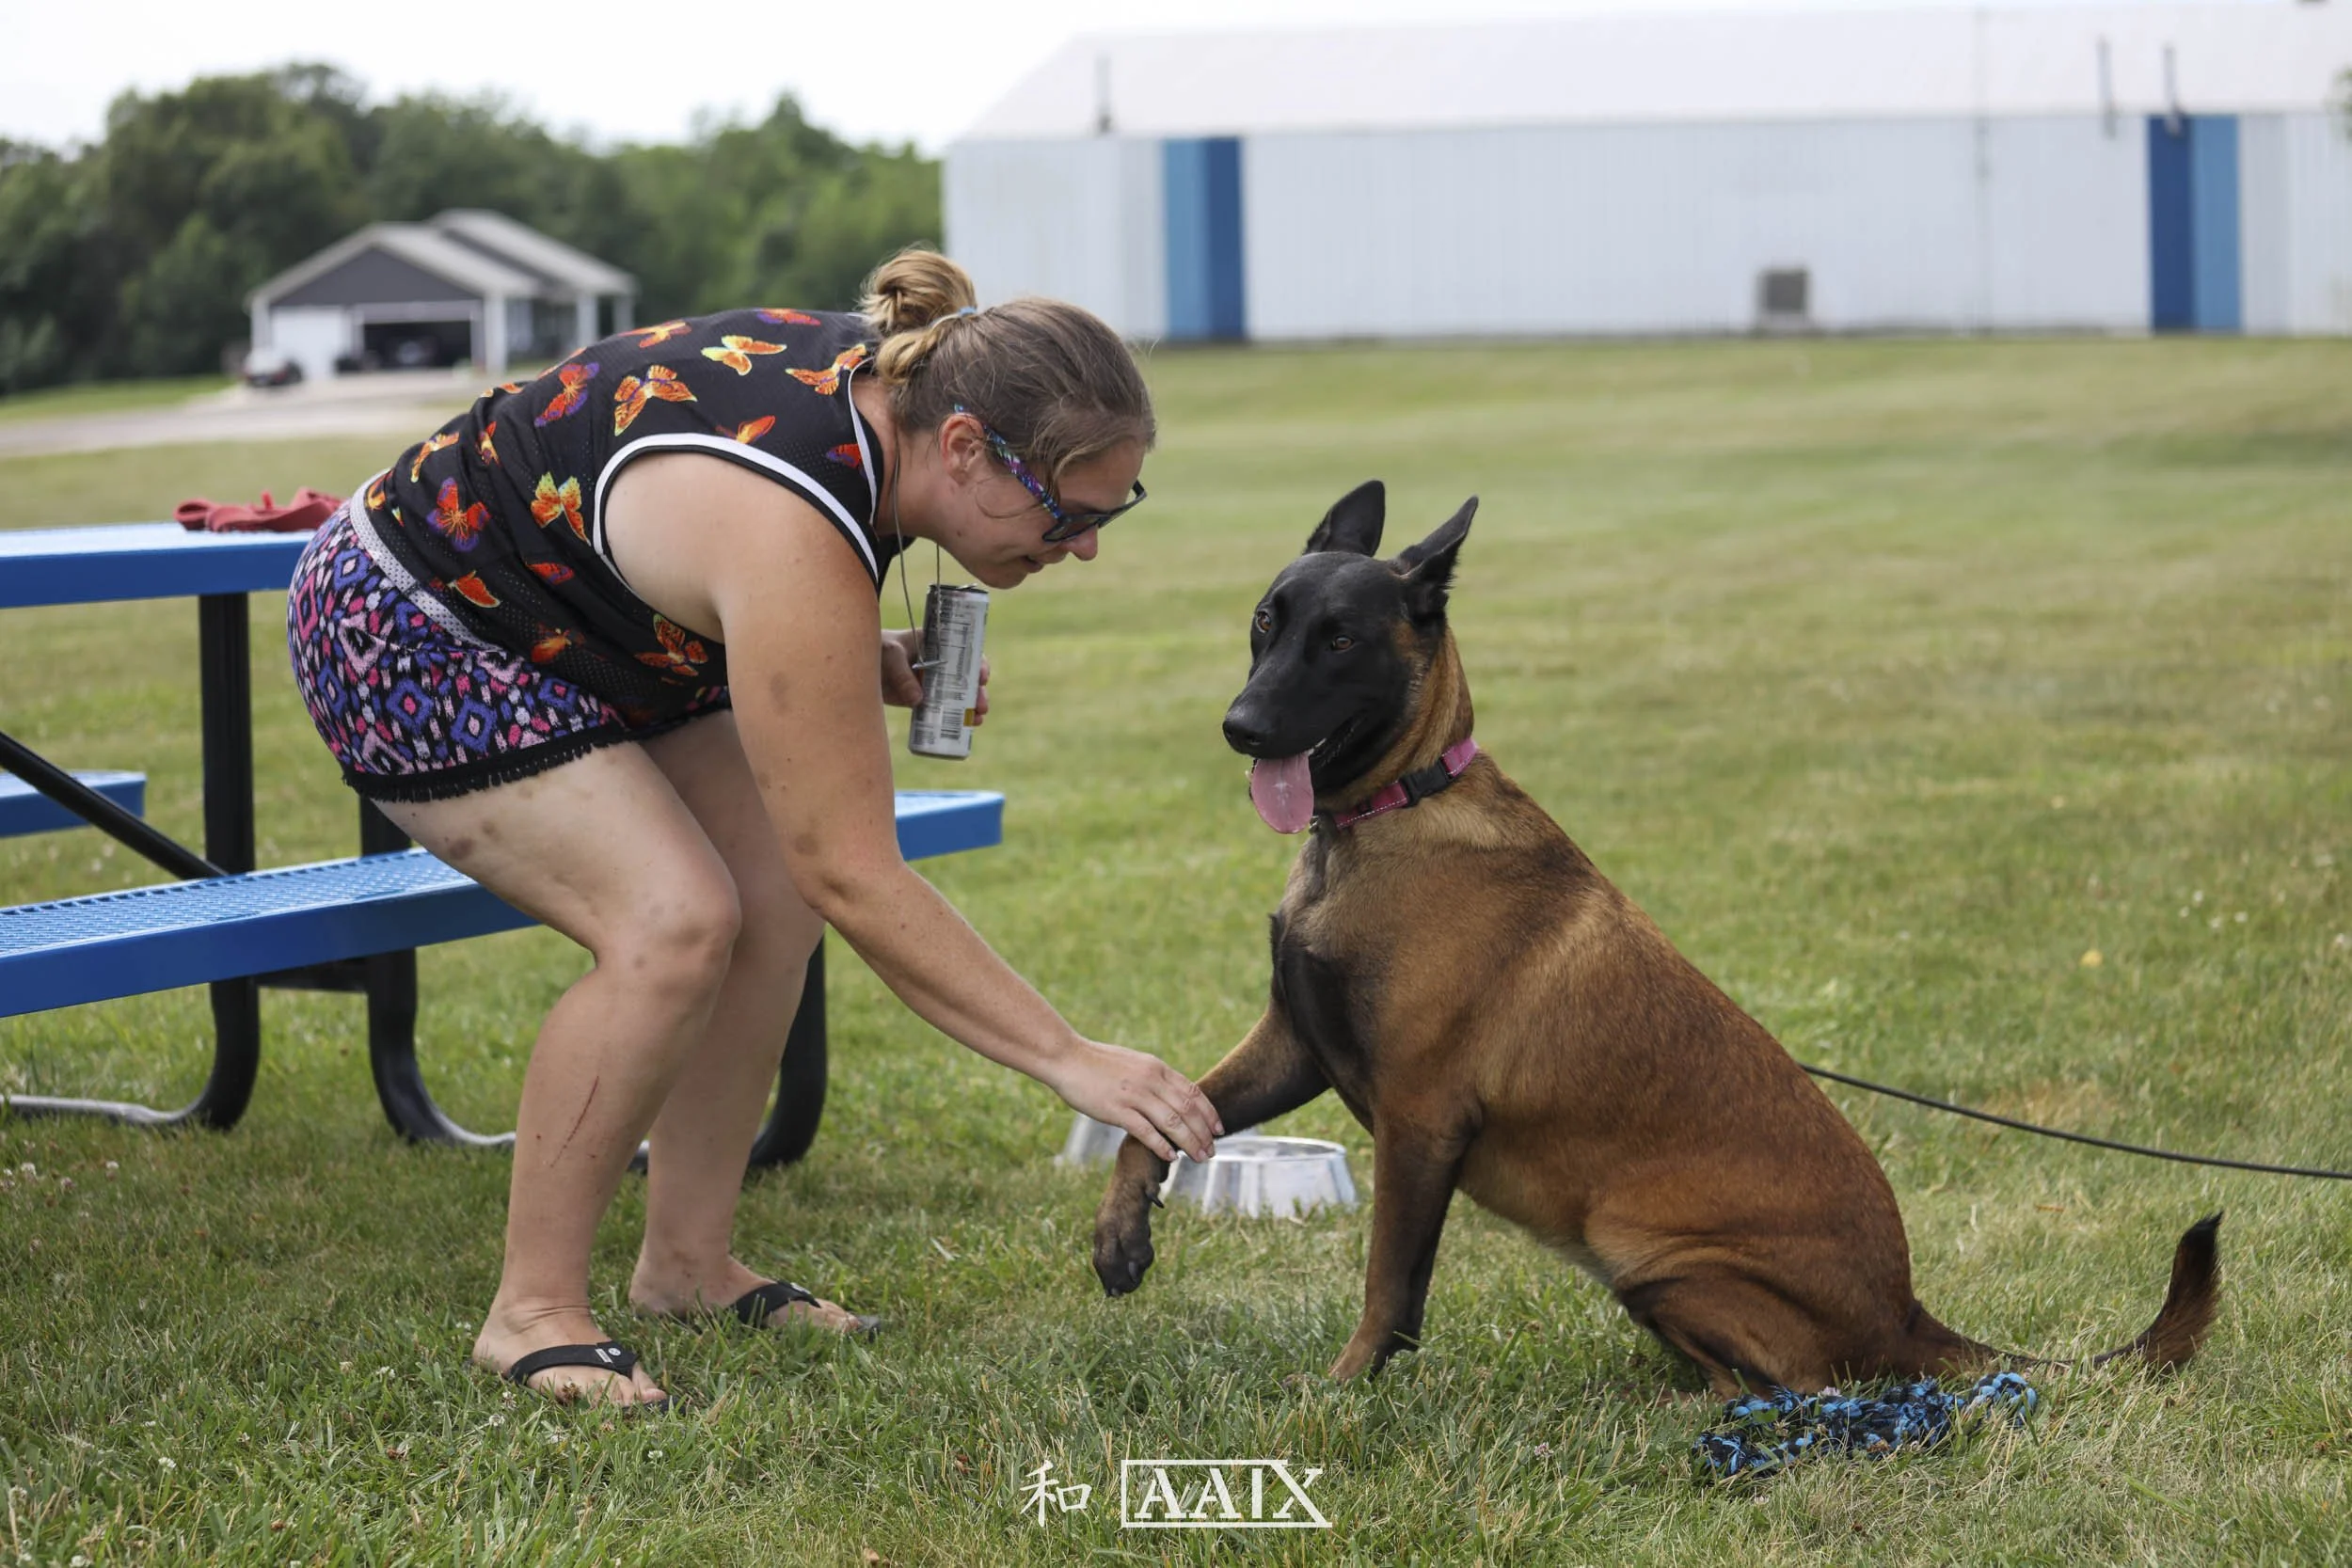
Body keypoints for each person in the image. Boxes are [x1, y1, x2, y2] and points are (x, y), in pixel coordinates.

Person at [284, 248, 1221, 1409]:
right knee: (672, 921)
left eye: (1111, 511)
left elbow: (711, 588)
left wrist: (840, 658)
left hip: (591, 628)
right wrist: (1068, 1056)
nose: (1086, 545)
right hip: (411, 624)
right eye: (1071, 512)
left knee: (767, 894)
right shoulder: (794, 513)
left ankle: (687, 1264)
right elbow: (856, 870)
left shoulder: (901, 392)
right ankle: (530, 1311)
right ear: (968, 448)